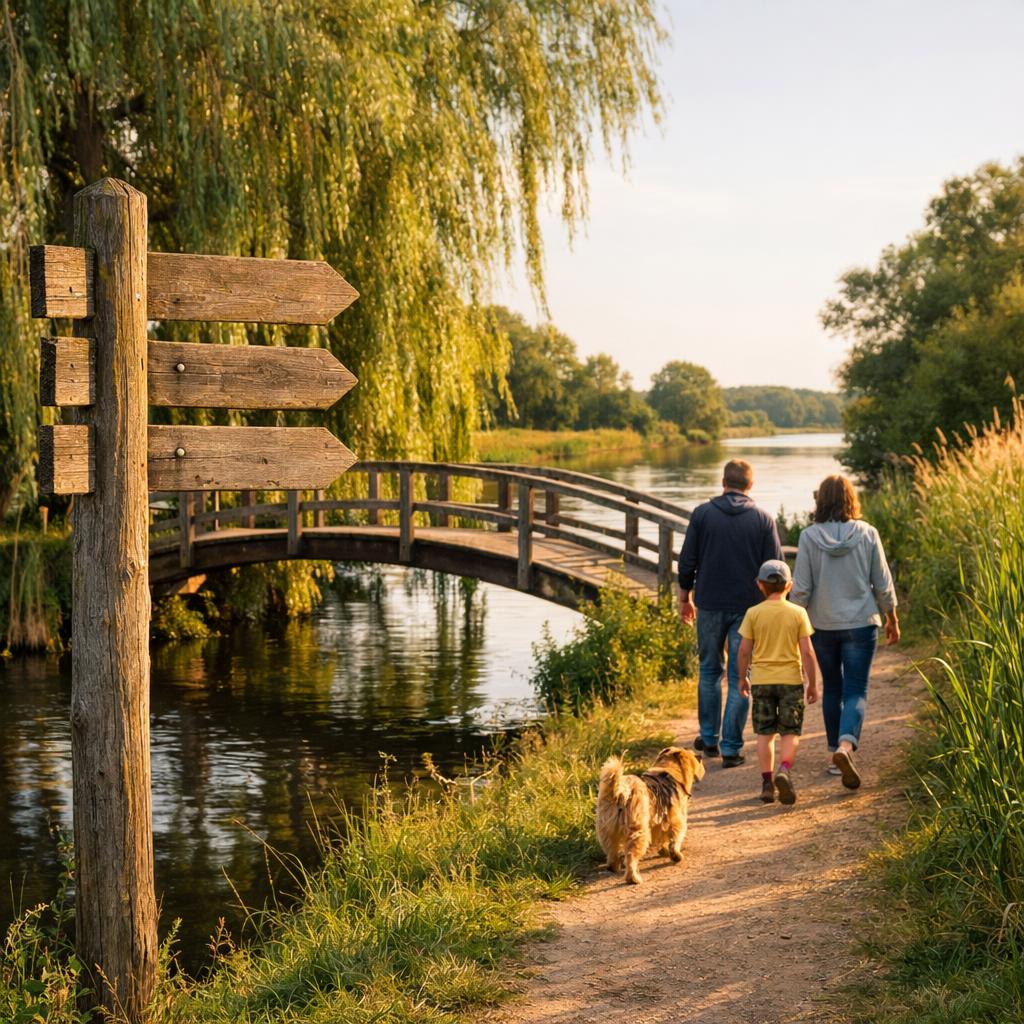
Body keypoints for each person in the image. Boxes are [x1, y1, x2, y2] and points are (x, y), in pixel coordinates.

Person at [790, 475, 899, 790]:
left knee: (832, 688)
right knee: (856, 691)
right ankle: (845, 747)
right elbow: (882, 581)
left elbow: (801, 590)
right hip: (861, 623)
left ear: (820, 500)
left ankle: (832, 756)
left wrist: (795, 627)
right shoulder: (867, 533)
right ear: (851, 499)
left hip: (822, 625)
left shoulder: (809, 537)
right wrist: (891, 616)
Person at [678, 459, 783, 767]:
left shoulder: (702, 515)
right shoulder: (763, 520)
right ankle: (733, 748)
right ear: (750, 485)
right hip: (749, 608)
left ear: (723, 482)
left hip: (709, 602)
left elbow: (687, 561)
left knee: (709, 670)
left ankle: (709, 740)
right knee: (741, 677)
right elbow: (775, 567)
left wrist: (685, 596)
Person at [737, 560, 817, 805]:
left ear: (760, 585)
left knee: (765, 733)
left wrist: (742, 678)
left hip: (762, 681)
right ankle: (784, 768)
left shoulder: (753, 613)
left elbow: (743, 651)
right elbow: (808, 652)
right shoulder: (798, 613)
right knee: (790, 731)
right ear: (789, 585)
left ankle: (766, 783)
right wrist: (812, 683)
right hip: (790, 680)